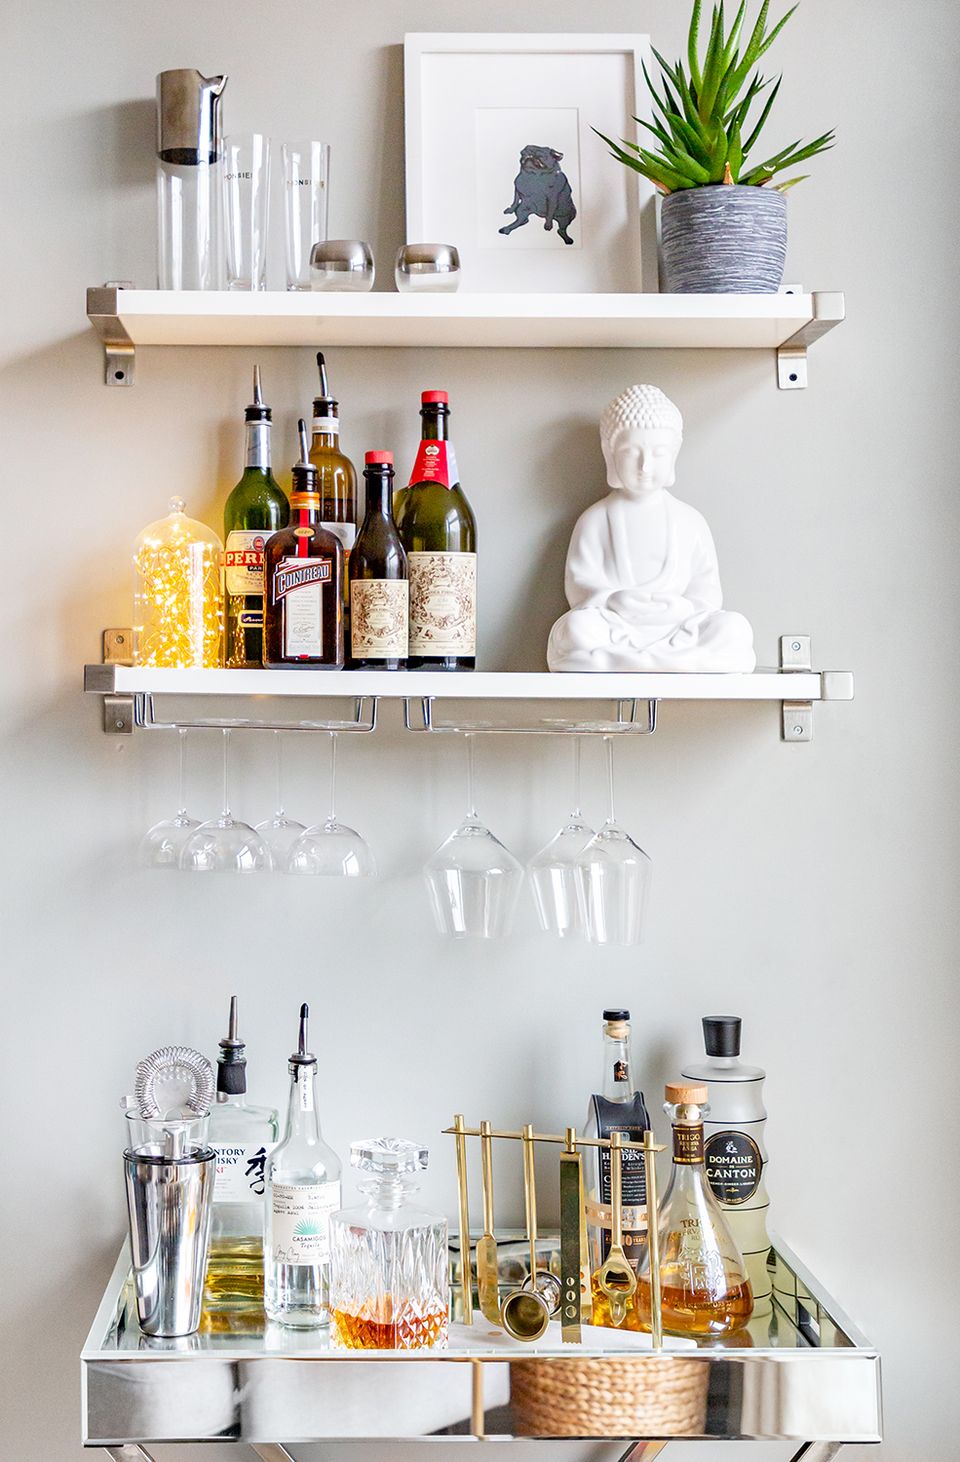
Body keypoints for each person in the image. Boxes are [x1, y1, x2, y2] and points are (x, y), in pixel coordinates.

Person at [547, 385, 756, 673]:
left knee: (734, 628)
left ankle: (632, 661)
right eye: (631, 452)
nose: (645, 466)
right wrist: (613, 599)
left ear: (674, 453)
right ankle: (668, 662)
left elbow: (707, 592)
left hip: (678, 629)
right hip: (618, 628)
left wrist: (682, 608)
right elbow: (579, 585)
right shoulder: (595, 519)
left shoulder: (690, 521)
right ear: (610, 453)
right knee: (575, 628)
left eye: (658, 453)